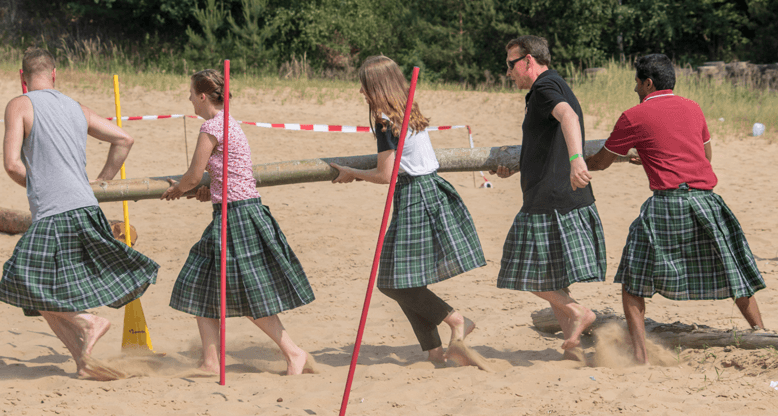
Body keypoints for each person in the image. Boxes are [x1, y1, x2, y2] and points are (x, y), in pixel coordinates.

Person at [585, 53, 766, 364]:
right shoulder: (693, 108)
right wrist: (652, 156)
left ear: (649, 83)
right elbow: (703, 156)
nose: (635, 89)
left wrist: (574, 162)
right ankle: (764, 337)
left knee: (633, 281)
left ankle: (640, 356)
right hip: (706, 200)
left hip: (667, 204)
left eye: (637, 83)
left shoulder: (633, 116)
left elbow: (600, 163)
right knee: (735, 272)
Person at [0, 48, 160, 380]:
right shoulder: (75, 107)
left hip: (55, 211)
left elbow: (13, 164)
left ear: (22, 76)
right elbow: (124, 139)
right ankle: (84, 362)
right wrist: (101, 182)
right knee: (40, 296)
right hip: (86, 208)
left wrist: (42, 181)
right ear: (55, 74)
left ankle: (88, 320)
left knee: (22, 279)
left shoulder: (19, 104)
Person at [330, 55, 489, 369]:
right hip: (424, 191)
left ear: (376, 87)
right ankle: (432, 351)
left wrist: (351, 171)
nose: (361, 92)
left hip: (416, 194)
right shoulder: (406, 108)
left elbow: (386, 174)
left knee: (393, 282)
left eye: (364, 86)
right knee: (399, 278)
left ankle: (457, 320)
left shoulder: (385, 119)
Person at [161, 69, 315, 375]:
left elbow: (193, 175)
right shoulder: (228, 122)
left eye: (191, 93)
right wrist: (210, 190)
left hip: (237, 216)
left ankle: (293, 352)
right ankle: (210, 361)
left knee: (247, 293)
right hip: (235, 210)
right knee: (199, 284)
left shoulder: (212, 126)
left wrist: (178, 190)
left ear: (202, 96)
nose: (189, 99)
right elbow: (224, 173)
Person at [492, 36, 605, 359]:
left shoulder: (544, 88)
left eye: (511, 64)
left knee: (524, 273)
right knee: (553, 277)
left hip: (549, 200)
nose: (508, 71)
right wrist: (517, 168)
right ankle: (573, 351)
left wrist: (576, 160)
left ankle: (579, 312)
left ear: (528, 61)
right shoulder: (551, 85)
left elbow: (568, 117)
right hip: (555, 194)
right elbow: (547, 140)